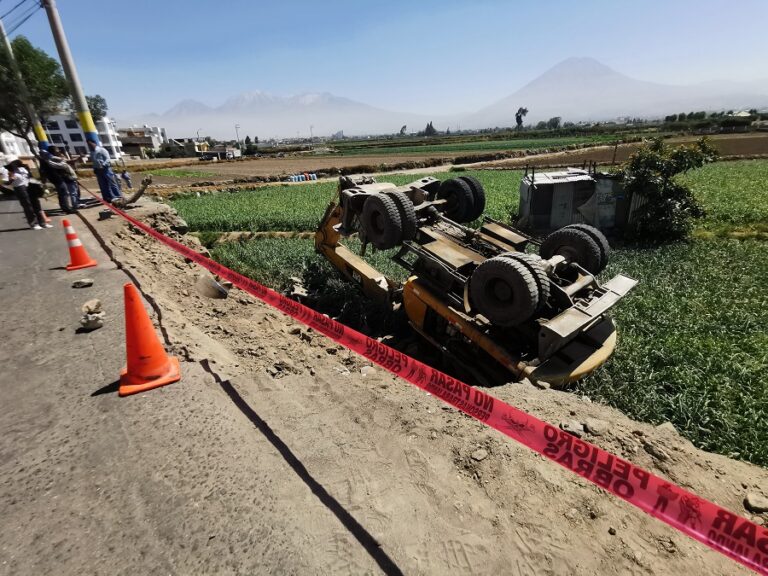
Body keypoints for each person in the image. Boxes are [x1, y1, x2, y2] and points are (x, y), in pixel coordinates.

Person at [6, 159, 51, 230]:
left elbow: (30, 177)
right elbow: (8, 182)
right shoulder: (10, 171)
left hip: (30, 186)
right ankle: (33, 223)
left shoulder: (23, 168)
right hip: (20, 188)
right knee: (28, 206)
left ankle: (42, 222)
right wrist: (10, 179)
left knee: (36, 204)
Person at [40, 146, 80, 213]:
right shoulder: (49, 159)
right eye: (57, 150)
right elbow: (59, 165)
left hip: (56, 178)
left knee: (62, 193)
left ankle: (64, 207)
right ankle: (67, 209)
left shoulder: (47, 159)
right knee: (64, 193)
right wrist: (63, 161)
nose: (58, 151)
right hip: (57, 179)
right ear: (53, 151)